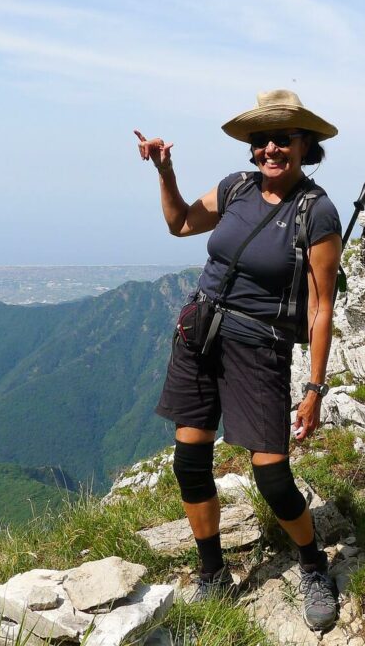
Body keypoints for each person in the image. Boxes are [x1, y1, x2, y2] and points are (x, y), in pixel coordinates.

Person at [134, 89, 343, 630]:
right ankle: (212, 573)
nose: (272, 148)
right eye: (263, 140)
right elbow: (179, 223)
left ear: (306, 146)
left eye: (285, 139)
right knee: (190, 462)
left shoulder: (316, 212)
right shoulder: (236, 188)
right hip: (199, 334)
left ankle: (313, 563)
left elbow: (321, 310)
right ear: (253, 148)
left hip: (259, 348)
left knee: (272, 478)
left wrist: (315, 390)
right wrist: (165, 169)